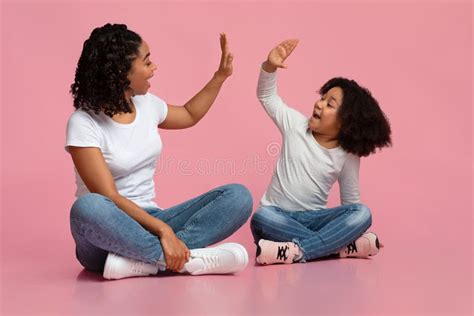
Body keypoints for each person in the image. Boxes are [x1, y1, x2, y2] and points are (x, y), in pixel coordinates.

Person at [66, 23, 253, 280]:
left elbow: (189, 114)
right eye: (147, 62)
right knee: (88, 207)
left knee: (238, 197)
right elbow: (108, 195)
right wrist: (164, 230)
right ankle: (185, 259)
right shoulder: (83, 123)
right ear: (122, 72)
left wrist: (220, 77)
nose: (154, 68)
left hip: (152, 219)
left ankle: (150, 262)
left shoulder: (147, 105)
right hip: (105, 235)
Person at [250, 39, 392, 265]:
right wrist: (270, 66)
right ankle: (337, 248)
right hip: (277, 218)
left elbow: (350, 204)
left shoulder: (347, 155)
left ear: (346, 123)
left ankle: (295, 251)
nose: (319, 104)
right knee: (261, 217)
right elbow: (267, 97)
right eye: (322, 98)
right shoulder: (296, 125)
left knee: (362, 213)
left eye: (330, 104)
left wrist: (353, 227)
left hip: (316, 220)